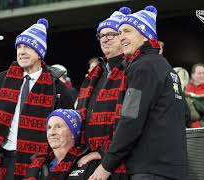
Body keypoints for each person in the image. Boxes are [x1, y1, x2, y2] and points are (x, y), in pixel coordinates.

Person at [89, 5, 188, 180]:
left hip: (150, 169)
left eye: (127, 31)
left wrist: (106, 165)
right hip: (170, 168)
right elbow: (184, 114)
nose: (122, 37)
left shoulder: (143, 67)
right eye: (119, 32)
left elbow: (130, 118)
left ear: (145, 34)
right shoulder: (165, 66)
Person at [0, 18, 74, 180]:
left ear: (40, 52)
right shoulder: (1, 79)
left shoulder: (57, 87)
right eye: (19, 47)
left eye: (28, 47)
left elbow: (70, 126)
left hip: (40, 162)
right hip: (4, 160)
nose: (21, 51)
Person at [76, 6, 132, 180]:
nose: (105, 39)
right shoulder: (96, 73)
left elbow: (131, 120)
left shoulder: (133, 69)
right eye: (102, 35)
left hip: (121, 162)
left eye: (111, 34)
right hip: (88, 157)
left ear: (123, 37)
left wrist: (103, 152)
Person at [25, 108, 99, 179]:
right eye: (49, 127)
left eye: (58, 127)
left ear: (73, 133)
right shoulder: (38, 165)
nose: (51, 132)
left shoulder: (88, 163)